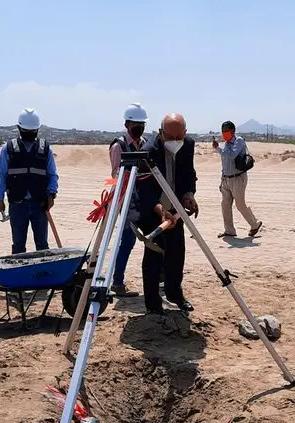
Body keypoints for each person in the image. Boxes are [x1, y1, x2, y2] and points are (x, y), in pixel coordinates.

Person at [136, 113, 199, 315]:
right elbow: (142, 189)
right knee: (154, 253)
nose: (174, 142)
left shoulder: (187, 145)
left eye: (178, 137)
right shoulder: (147, 151)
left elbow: (189, 174)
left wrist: (188, 194)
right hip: (152, 210)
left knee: (176, 252)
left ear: (185, 133)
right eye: (169, 138)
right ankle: (153, 303)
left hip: (175, 209)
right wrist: (159, 210)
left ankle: (174, 294)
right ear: (161, 132)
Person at [0, 108, 59, 254]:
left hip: (40, 204)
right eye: (26, 131)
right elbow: (3, 175)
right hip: (18, 205)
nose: (30, 134)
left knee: (42, 245)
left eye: (33, 131)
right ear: (19, 128)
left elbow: (52, 175)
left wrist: (51, 194)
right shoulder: (8, 149)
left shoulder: (45, 149)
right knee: (18, 245)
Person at [107, 102, 149, 297]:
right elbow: (116, 174)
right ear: (127, 124)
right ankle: (117, 281)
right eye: (135, 124)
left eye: (142, 124)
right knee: (127, 241)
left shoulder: (145, 144)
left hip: (145, 198)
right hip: (126, 199)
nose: (139, 128)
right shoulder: (119, 146)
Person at [212, 120, 263, 238]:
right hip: (226, 179)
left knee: (240, 205)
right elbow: (225, 164)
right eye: (223, 132)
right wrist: (222, 180)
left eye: (227, 132)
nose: (224, 134)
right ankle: (229, 230)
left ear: (233, 131)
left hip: (238, 178)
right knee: (225, 206)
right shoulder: (226, 144)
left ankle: (254, 225)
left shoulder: (238, 141)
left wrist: (218, 149)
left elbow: (231, 155)